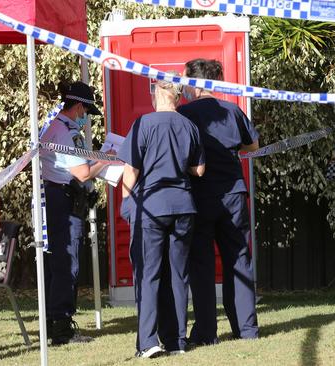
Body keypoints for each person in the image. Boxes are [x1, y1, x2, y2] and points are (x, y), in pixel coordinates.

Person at [118, 78, 205, 358]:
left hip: (152, 207)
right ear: (178, 97)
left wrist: (125, 203)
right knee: (178, 275)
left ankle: (148, 342)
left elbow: (130, 170)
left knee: (148, 274)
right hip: (184, 205)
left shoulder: (143, 124)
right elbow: (200, 170)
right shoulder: (189, 126)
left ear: (156, 94)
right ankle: (177, 340)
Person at [177, 58, 260, 345]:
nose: (182, 85)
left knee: (202, 265)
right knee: (239, 260)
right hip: (234, 194)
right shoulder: (233, 110)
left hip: (200, 196)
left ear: (196, 82)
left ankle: (205, 333)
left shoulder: (184, 113)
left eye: (185, 79)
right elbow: (253, 146)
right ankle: (246, 329)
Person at [40, 81, 109, 345]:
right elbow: (81, 173)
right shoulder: (66, 132)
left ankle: (53, 322)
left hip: (55, 195)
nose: (85, 118)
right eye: (85, 112)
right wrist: (105, 158)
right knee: (67, 262)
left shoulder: (52, 125)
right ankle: (61, 327)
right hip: (64, 199)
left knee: (56, 262)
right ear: (78, 106)